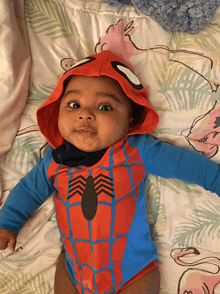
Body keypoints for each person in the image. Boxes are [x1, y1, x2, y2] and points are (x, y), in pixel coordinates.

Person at [0, 50, 219, 294]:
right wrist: (8, 223)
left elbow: (185, 164)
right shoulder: (56, 160)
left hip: (133, 273)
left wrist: (216, 179)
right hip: (74, 271)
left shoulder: (136, 151)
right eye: (73, 105)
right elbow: (29, 191)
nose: (85, 114)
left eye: (105, 107)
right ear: (56, 111)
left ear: (131, 120)